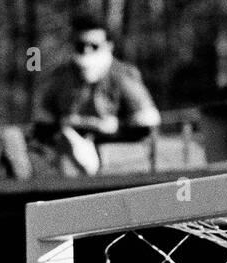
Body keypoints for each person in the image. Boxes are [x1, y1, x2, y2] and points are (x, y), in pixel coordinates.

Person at [32, 12, 161, 175]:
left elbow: (146, 127)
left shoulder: (122, 75)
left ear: (108, 45)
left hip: (115, 159)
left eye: (93, 45)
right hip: (67, 159)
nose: (86, 51)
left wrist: (114, 129)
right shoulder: (60, 77)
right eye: (80, 45)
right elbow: (42, 129)